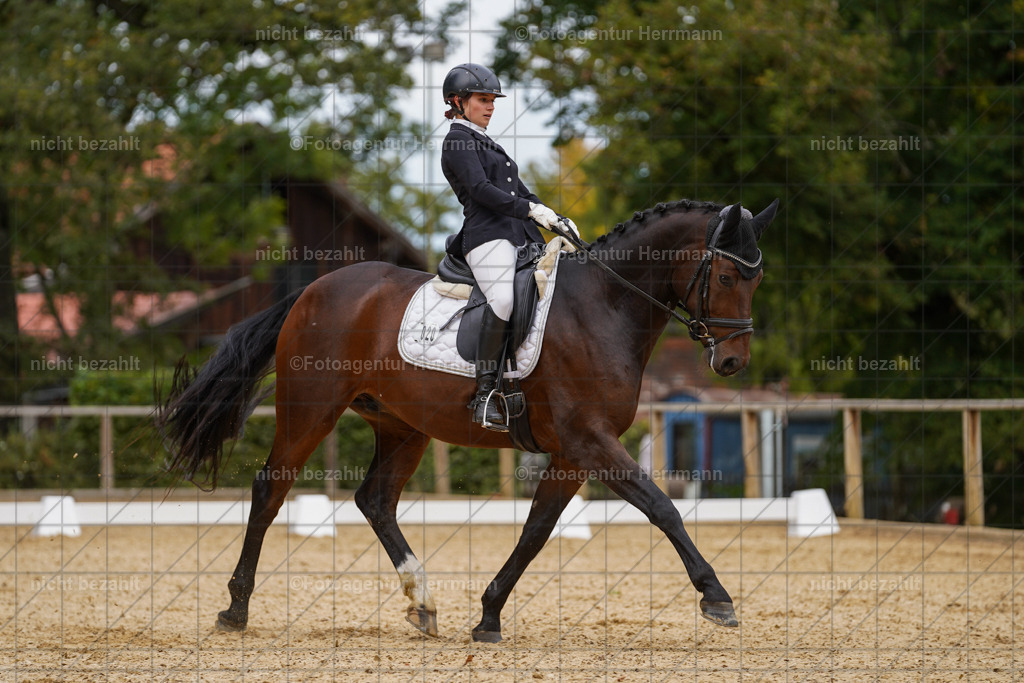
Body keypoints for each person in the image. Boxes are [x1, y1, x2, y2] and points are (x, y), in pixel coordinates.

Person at [440, 63, 579, 431]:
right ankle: (485, 394)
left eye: (492, 101)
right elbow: (483, 192)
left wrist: (552, 216)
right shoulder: (457, 141)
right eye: (483, 100)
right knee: (502, 299)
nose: (490, 107)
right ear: (458, 101)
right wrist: (529, 209)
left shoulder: (489, 143)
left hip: (521, 236)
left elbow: (519, 192)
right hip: (486, 236)